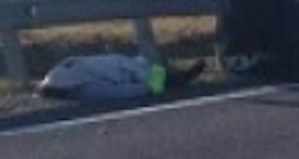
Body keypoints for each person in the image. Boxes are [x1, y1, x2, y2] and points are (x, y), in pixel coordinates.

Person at [37, 54, 206, 101]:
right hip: (125, 73)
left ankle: (172, 76)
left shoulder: (59, 73)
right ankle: (174, 79)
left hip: (121, 65)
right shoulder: (86, 89)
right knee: (155, 76)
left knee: (151, 67)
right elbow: (118, 93)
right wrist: (145, 89)